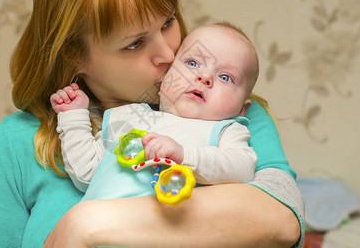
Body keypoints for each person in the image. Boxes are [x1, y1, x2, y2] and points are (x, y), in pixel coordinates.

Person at [0, 0, 305, 247]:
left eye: (168, 21)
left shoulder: (224, 111)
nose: (169, 53)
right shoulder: (17, 143)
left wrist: (87, 224)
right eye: (135, 43)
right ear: (75, 56)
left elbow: (282, 220)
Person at [51, 23, 259, 201]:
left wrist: (184, 154)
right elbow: (85, 174)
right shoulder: (127, 116)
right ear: (165, 77)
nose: (204, 77)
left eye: (225, 77)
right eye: (192, 63)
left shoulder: (225, 131)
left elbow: (243, 169)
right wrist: (73, 117)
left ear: (242, 108)